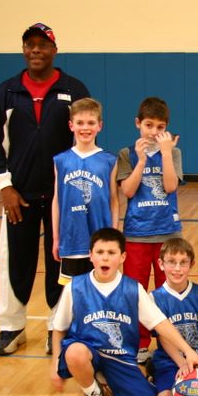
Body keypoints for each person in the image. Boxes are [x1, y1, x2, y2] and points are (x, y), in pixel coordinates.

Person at [0, 22, 91, 356]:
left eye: (42, 45)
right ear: (23, 50)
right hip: (19, 195)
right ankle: (11, 327)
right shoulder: (8, 91)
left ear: (54, 51)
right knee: (15, 261)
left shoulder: (74, 89)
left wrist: (77, 187)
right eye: (29, 45)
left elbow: (84, 139)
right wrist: (4, 186)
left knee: (60, 262)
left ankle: (56, 327)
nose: (35, 50)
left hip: (63, 195)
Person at [50, 228, 198, 396]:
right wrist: (55, 365)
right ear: (91, 255)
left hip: (120, 357)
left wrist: (189, 352)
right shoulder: (74, 287)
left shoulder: (133, 289)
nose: (105, 258)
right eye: (100, 252)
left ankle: (107, 379)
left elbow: (161, 323)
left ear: (123, 257)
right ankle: (92, 393)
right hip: (87, 351)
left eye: (111, 253)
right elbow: (59, 328)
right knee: (75, 352)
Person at [117, 97, 184, 363]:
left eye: (160, 127)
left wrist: (166, 153)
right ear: (138, 123)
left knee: (168, 291)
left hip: (168, 232)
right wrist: (142, 160)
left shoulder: (173, 153)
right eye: (148, 125)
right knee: (137, 292)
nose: (154, 132)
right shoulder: (127, 153)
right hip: (137, 234)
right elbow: (128, 190)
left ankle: (169, 343)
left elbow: (170, 186)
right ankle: (141, 343)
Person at [51, 98, 119, 285]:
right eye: (80, 123)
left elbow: (114, 200)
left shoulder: (109, 160)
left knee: (101, 290)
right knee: (73, 293)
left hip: (101, 242)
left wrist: (114, 236)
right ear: (71, 125)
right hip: (71, 239)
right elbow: (57, 200)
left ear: (100, 126)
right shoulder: (61, 160)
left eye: (91, 123)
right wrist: (56, 238)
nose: (85, 128)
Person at [148, 238, 198, 396]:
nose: (177, 268)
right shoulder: (155, 298)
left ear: (192, 264)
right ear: (161, 264)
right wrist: (182, 362)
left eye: (183, 263)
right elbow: (163, 336)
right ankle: (153, 377)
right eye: (171, 262)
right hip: (170, 359)